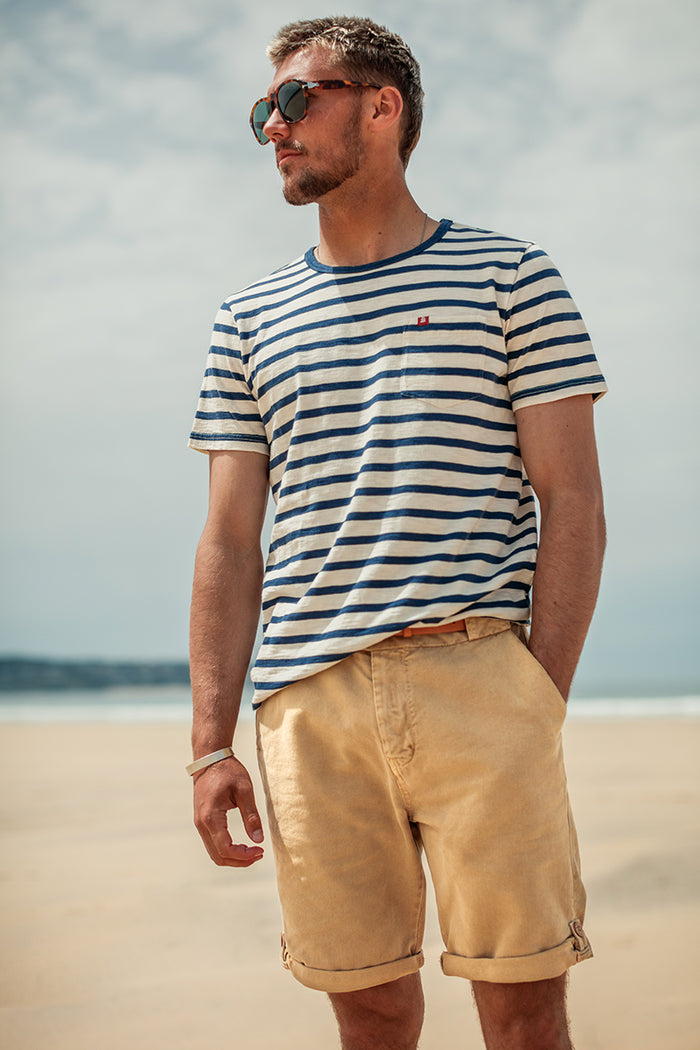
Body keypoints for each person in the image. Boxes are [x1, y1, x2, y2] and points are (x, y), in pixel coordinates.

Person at [187, 15, 606, 1050]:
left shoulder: (511, 277)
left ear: (383, 106)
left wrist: (535, 697)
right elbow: (229, 542)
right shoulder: (246, 318)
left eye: (297, 98)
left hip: (478, 681)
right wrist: (208, 746)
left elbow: (573, 502)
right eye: (263, 108)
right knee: (369, 1012)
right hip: (308, 707)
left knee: (523, 1011)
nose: (274, 126)